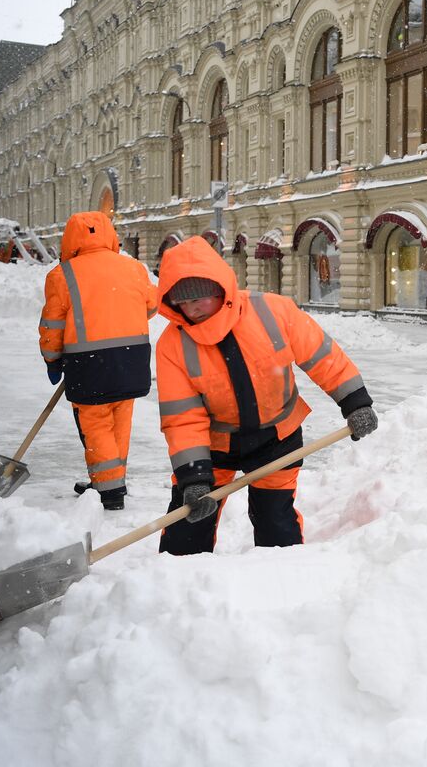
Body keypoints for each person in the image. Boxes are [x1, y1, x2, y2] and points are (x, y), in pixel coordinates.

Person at [153, 236, 378, 555]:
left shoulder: (272, 310)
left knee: (276, 523)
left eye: (200, 297)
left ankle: (282, 585)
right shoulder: (173, 345)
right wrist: (194, 477)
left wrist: (355, 402)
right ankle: (174, 588)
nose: (193, 308)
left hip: (277, 437)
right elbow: (182, 418)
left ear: (220, 288)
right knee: (187, 527)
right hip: (215, 445)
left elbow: (323, 357)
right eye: (183, 302)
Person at [39, 211, 157, 510]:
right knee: (120, 421)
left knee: (95, 425)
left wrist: (52, 359)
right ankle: (113, 478)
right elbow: (151, 305)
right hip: (132, 358)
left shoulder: (61, 275)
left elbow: (53, 325)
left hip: (88, 363)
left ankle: (109, 490)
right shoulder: (134, 268)